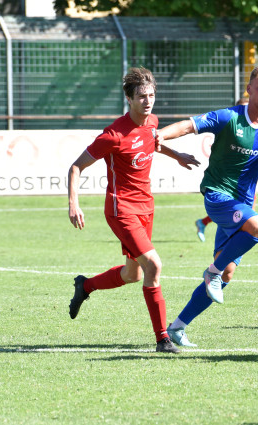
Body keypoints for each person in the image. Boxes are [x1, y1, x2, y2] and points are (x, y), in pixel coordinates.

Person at [157, 64, 258, 347]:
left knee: (228, 271)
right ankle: (211, 272)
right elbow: (190, 125)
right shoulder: (229, 117)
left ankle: (177, 327)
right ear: (250, 88)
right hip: (216, 196)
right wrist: (160, 135)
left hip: (241, 204)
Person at [67, 67, 200, 353]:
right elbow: (76, 166)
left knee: (134, 275)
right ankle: (163, 338)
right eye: (141, 96)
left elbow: (153, 143)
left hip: (146, 206)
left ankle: (85, 286)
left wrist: (177, 156)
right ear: (129, 98)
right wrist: (73, 204)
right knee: (154, 265)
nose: (148, 101)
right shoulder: (113, 135)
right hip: (120, 207)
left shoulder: (153, 122)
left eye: (151, 95)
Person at [195, 97, 254, 242]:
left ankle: (246, 229)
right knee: (232, 208)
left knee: (243, 204)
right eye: (242, 108)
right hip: (226, 180)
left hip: (243, 179)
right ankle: (248, 229)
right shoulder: (230, 127)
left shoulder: (253, 130)